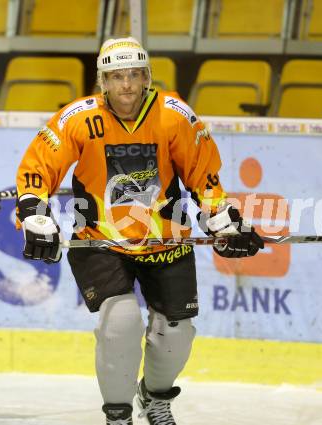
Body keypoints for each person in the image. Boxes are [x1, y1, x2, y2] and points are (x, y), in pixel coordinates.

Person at [15, 37, 264, 425]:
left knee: (177, 335)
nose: (127, 84)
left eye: (134, 75)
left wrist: (224, 220)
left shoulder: (173, 114)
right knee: (121, 323)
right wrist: (34, 215)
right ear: (103, 82)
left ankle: (154, 397)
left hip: (165, 237)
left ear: (147, 77)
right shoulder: (77, 117)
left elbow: (204, 178)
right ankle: (118, 416)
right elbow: (38, 168)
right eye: (117, 76)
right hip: (99, 240)